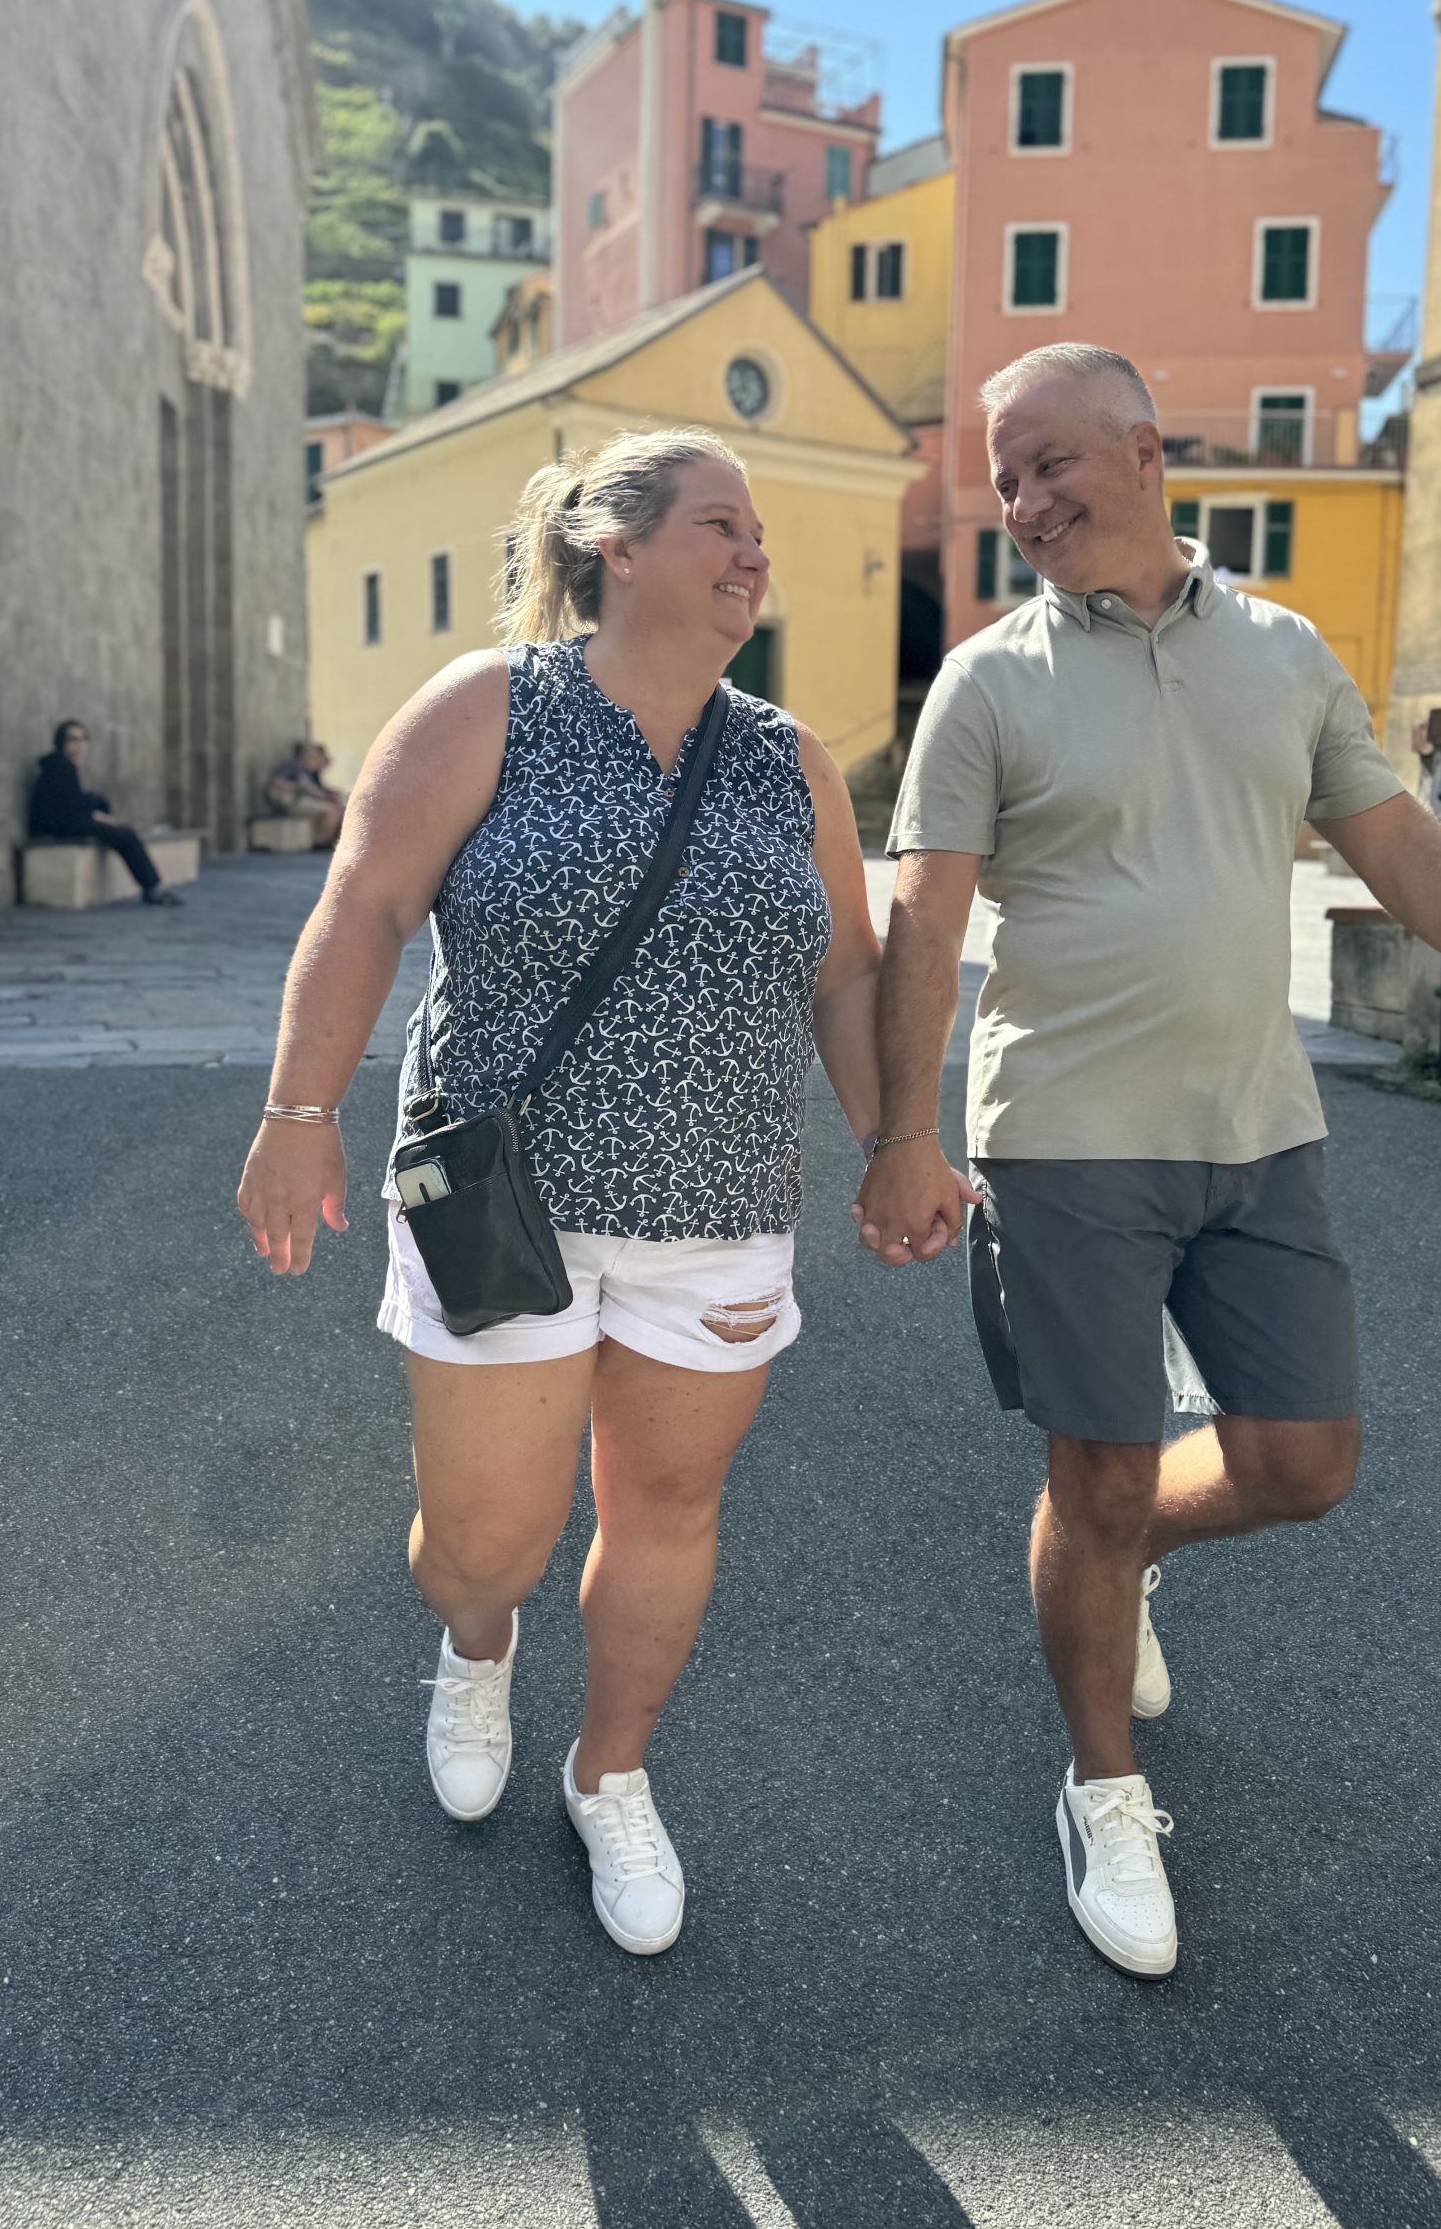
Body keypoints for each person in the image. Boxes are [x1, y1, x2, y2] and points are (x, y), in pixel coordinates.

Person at [855, 343, 1441, 1981]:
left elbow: (1394, 839)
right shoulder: (986, 683)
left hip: (1258, 1130)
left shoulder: (1282, 653)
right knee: (1100, 1475)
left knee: (1301, 1461)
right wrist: (901, 1135)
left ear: (1146, 452)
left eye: (1051, 462)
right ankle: (1102, 1788)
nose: (1024, 501)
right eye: (1005, 477)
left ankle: (1121, 1562)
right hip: (1062, 1139)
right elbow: (924, 922)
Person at [237, 427, 940, 1955]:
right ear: (615, 549)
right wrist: (299, 1111)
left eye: (757, 533)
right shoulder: (488, 708)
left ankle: (609, 1772)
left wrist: (897, 1141)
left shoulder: (789, 761)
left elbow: (846, 973)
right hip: (503, 1198)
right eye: (719, 525)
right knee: (485, 1542)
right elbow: (365, 905)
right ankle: (477, 1646)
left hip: (722, 1211)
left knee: (668, 1509)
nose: (752, 554)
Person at [28, 721, 182, 906]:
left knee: (119, 828)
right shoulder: (60, 766)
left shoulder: (62, 765)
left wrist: (95, 813)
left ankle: (153, 886)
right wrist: (95, 816)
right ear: (61, 741)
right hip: (57, 827)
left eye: (83, 739)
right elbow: (67, 809)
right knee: (126, 835)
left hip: (67, 821)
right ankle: (152, 888)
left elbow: (72, 803)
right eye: (73, 739)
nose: (79, 744)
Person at [265, 741, 345, 848]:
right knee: (331, 811)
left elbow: (318, 789)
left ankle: (333, 842)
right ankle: (320, 843)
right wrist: (295, 786)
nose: (314, 755)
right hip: (297, 801)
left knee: (342, 810)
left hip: (312, 801)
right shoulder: (291, 766)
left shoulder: (311, 772)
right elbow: (275, 781)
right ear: (302, 753)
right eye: (311, 752)